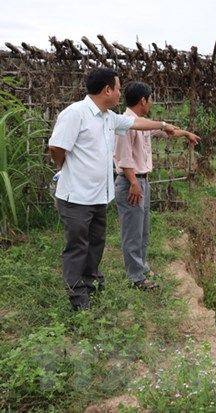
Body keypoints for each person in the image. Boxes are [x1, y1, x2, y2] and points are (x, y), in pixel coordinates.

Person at [48, 68, 179, 310]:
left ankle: (92, 285)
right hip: (75, 196)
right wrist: (65, 167)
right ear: (107, 90)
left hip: (99, 195)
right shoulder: (75, 113)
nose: (121, 93)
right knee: (77, 247)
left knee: (96, 244)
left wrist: (163, 124)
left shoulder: (108, 117)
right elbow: (56, 148)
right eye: (118, 88)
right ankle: (78, 299)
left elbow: (135, 123)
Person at [114, 81, 200, 289]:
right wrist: (134, 183)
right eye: (150, 99)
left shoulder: (142, 123)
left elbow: (166, 132)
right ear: (143, 100)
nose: (151, 103)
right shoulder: (125, 124)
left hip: (141, 181)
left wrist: (186, 134)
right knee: (132, 232)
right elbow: (123, 158)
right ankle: (136, 278)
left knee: (142, 230)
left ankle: (142, 267)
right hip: (131, 183)